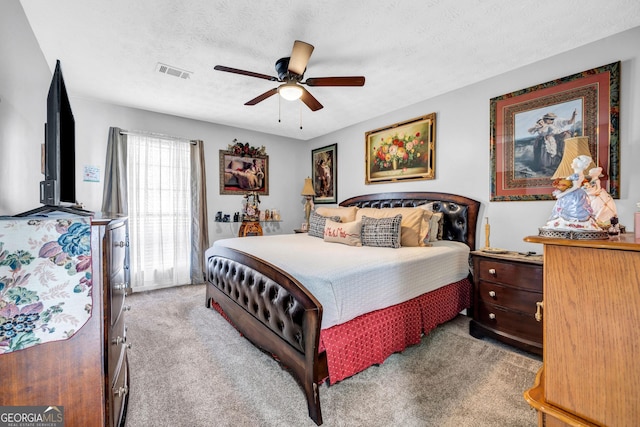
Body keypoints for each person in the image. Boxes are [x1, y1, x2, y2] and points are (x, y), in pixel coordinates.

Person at [545, 155, 598, 229]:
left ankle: (572, 226)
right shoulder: (579, 174)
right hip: (576, 195)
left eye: (573, 162)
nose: (571, 163)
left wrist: (562, 194)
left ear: (578, 164)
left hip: (574, 196)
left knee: (569, 210)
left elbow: (575, 187)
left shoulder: (577, 175)